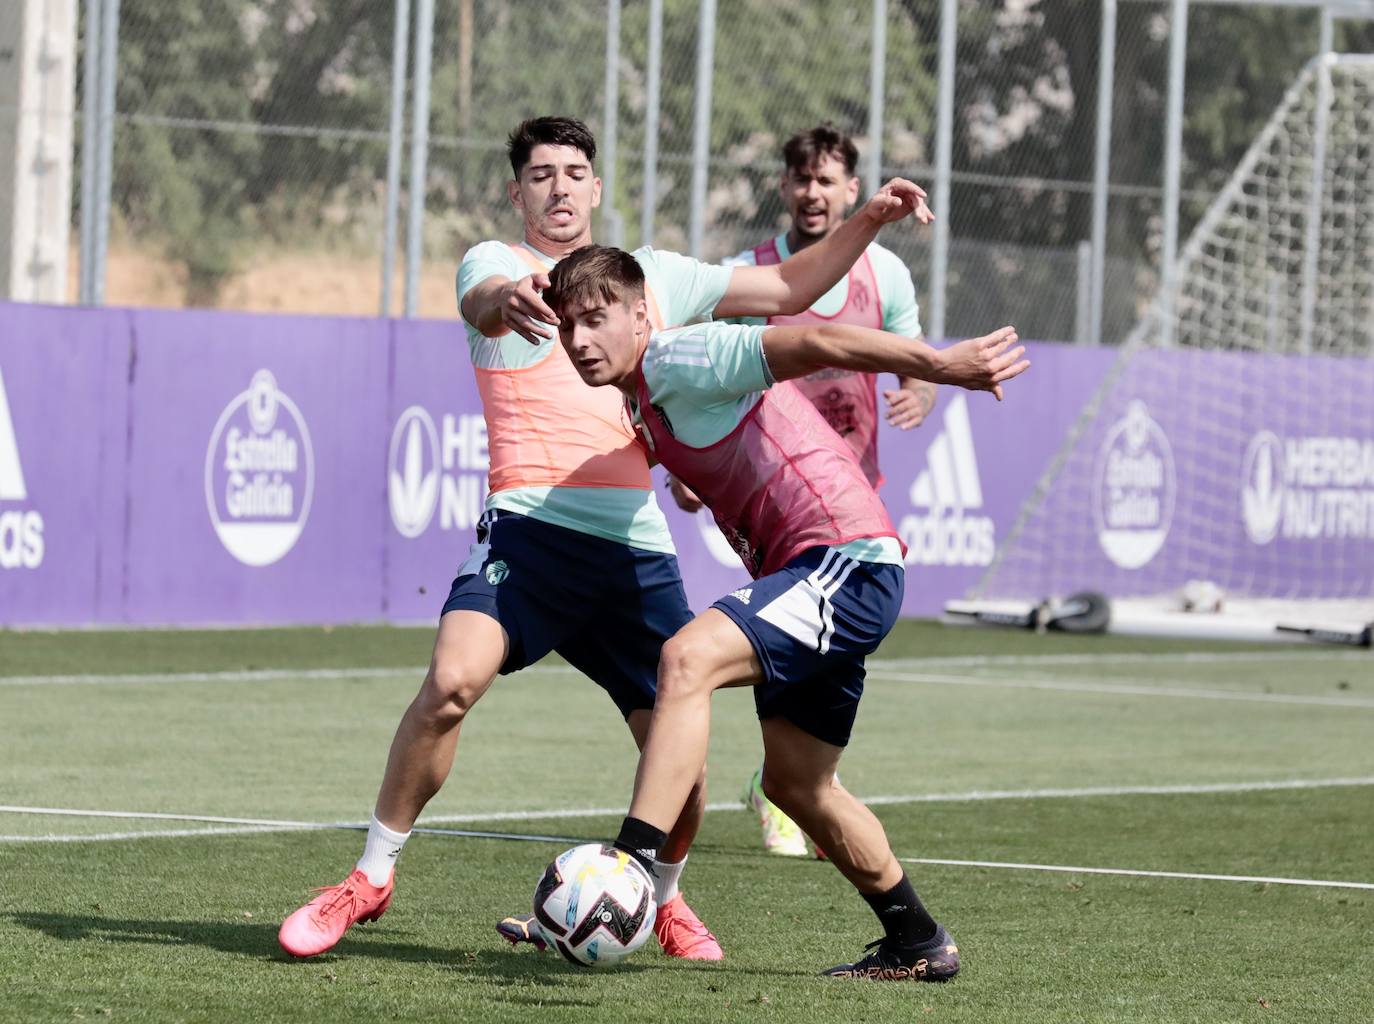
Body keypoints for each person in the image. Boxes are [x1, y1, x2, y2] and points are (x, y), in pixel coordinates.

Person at [277, 116, 936, 962]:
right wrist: (504, 301)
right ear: (517, 194)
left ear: (596, 188)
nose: (558, 188)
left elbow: (786, 292)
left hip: (634, 547)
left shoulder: (649, 280)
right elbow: (479, 299)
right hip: (530, 531)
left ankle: (657, 899)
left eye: (574, 172)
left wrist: (867, 221)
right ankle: (368, 879)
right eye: (540, 175)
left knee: (680, 748)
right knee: (450, 681)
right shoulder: (500, 268)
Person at [543, 244, 1027, 980]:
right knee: (797, 785)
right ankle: (918, 940)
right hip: (820, 573)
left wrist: (940, 366)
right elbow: (730, 441)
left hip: (845, 561)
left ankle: (631, 871)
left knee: (686, 657)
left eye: (595, 319)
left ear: (641, 314)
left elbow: (817, 341)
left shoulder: (681, 356)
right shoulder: (643, 393)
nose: (579, 340)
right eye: (566, 325)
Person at [722, 122, 938, 859]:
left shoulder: (887, 276)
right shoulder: (753, 275)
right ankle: (788, 789)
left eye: (827, 180)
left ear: (852, 189)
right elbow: (713, 371)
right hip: (774, 495)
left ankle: (789, 782)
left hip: (853, 497)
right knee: (787, 637)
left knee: (837, 649)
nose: (813, 193)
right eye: (801, 179)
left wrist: (918, 392)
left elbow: (913, 358)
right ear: (785, 188)